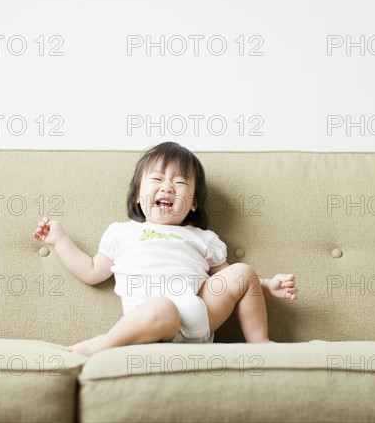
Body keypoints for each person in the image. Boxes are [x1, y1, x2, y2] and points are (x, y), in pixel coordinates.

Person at [33, 142, 298, 356]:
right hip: (154, 322)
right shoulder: (123, 233)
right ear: (138, 195)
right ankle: (108, 342)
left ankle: (261, 343)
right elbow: (91, 271)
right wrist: (60, 241)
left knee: (242, 271)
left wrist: (264, 285)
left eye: (180, 183)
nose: (168, 187)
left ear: (194, 203)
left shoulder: (202, 238)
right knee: (163, 307)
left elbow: (227, 281)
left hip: (200, 318)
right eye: (157, 179)